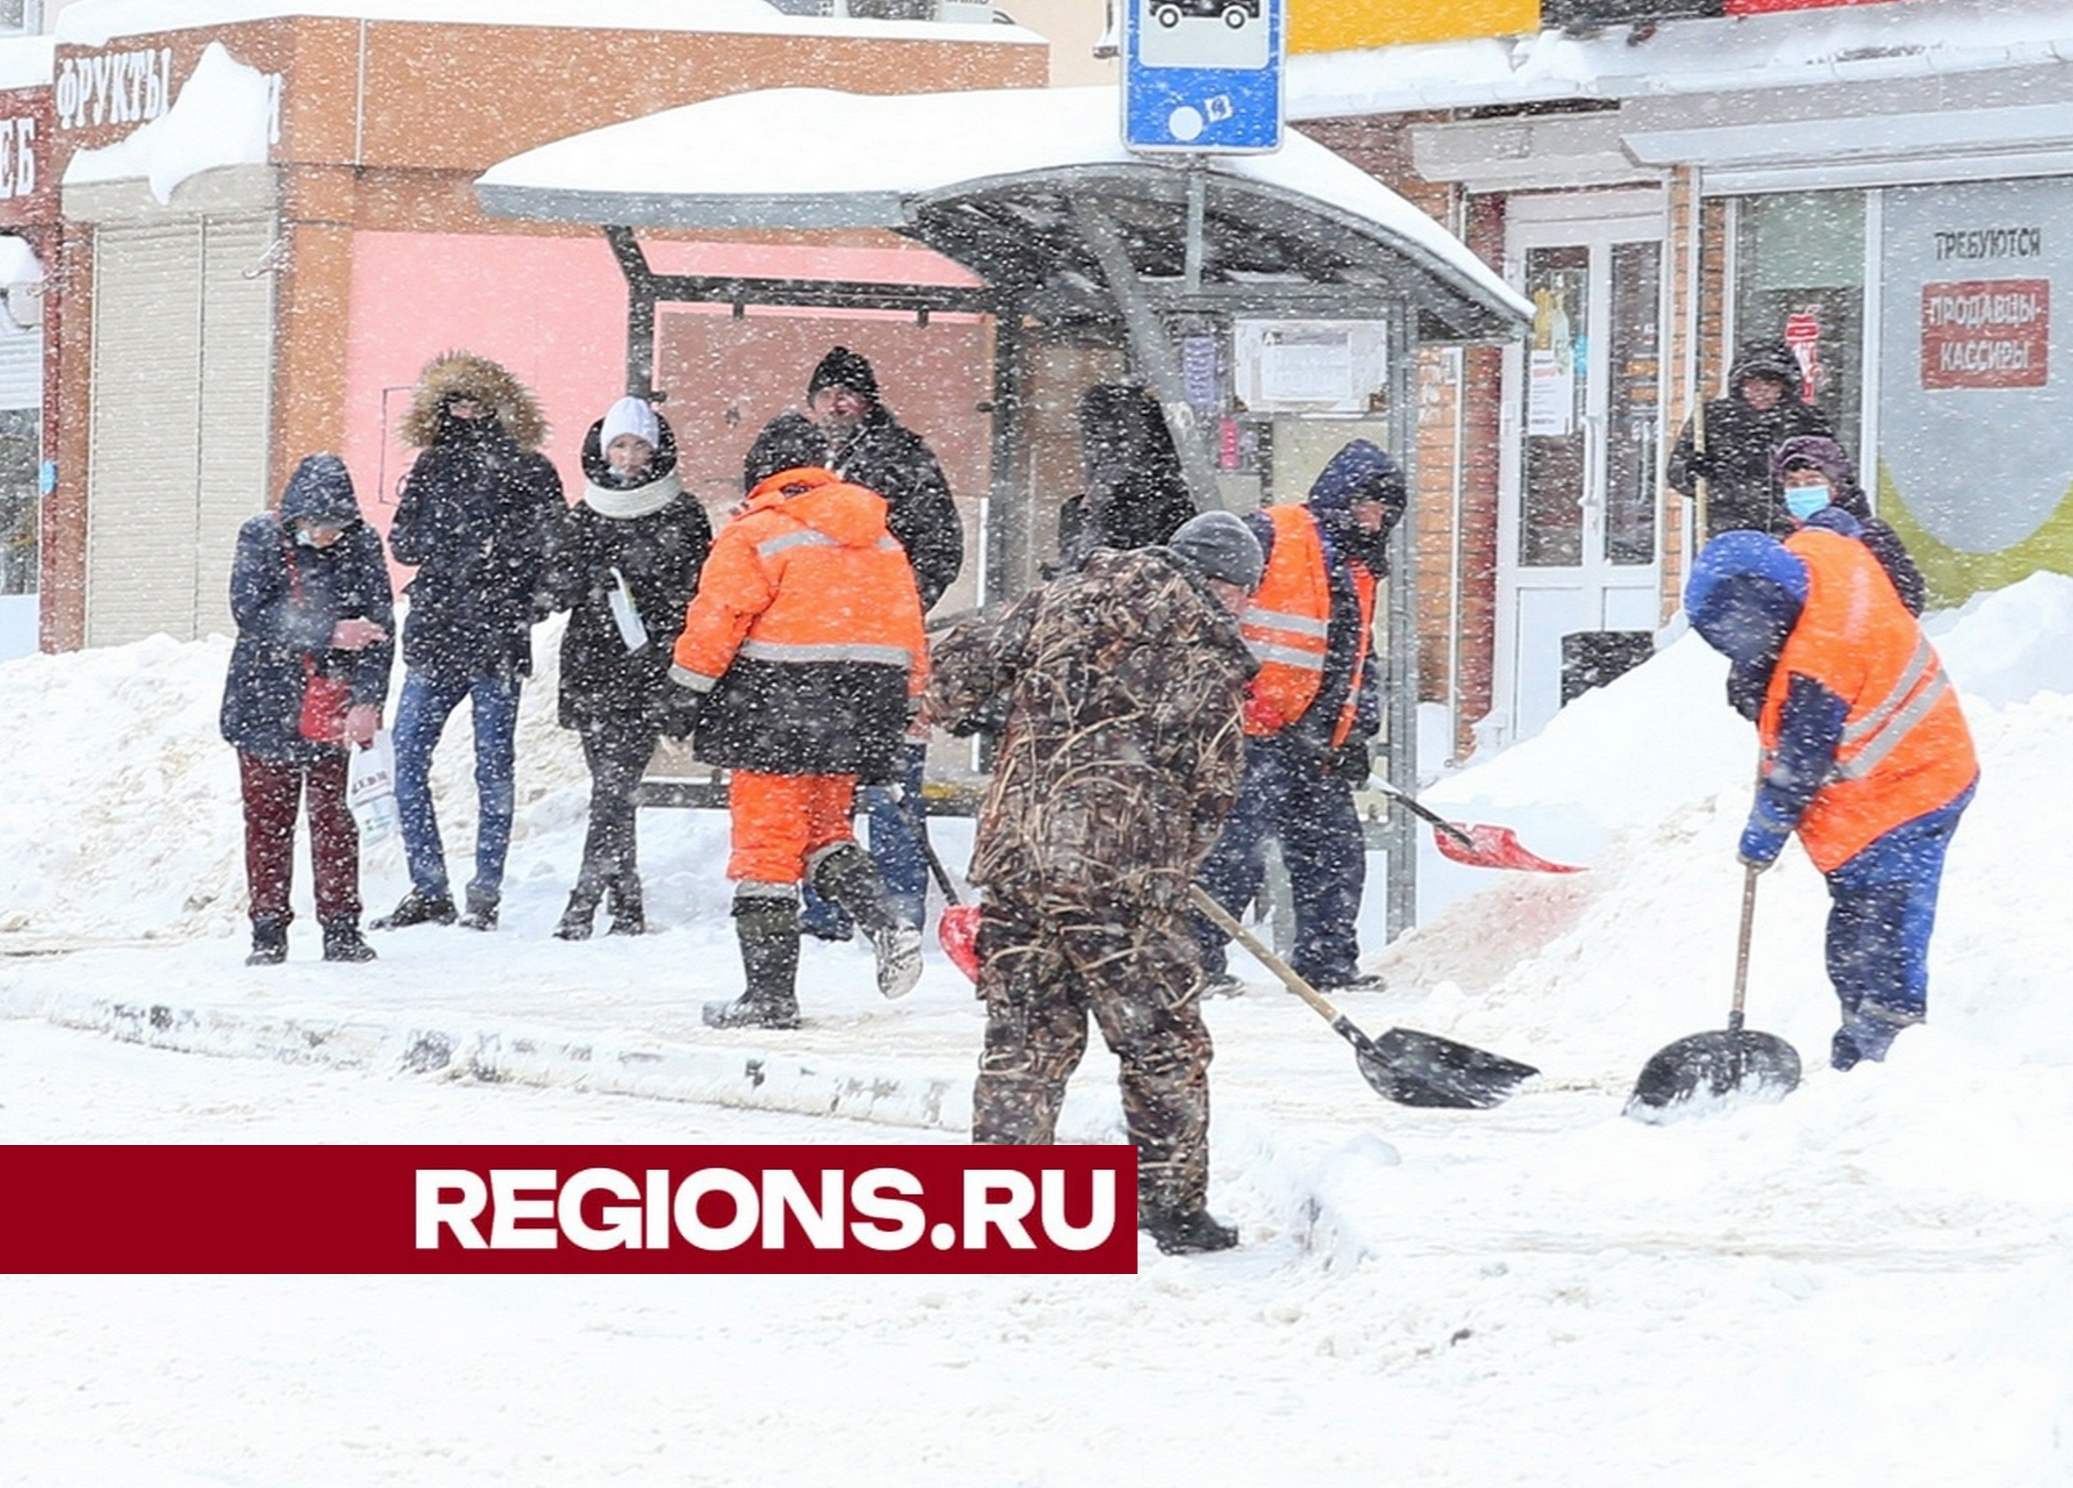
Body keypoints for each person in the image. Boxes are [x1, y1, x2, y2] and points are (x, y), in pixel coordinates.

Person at [923, 511, 1261, 1255]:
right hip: (1120, 873)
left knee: (1024, 1039)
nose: (1245, 611)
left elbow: (952, 674)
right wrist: (1173, 859)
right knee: (1161, 1043)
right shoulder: (1204, 648)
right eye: (1246, 595)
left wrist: (996, 714)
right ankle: (1171, 1209)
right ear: (1225, 585)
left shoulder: (1060, 598)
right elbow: (1212, 781)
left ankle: (1003, 1203)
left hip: (1018, 855)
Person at [1684, 529, 1978, 1070]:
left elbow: (1798, 771)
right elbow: (1835, 526)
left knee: (1882, 935)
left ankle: (1886, 1053)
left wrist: (1763, 834)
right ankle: (1865, 1039)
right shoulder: (1819, 553)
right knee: (1852, 937)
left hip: (1913, 789)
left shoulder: (1820, 667)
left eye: (1732, 637)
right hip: (1889, 785)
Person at [670, 419, 929, 1030]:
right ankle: (888, 923)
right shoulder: (880, 538)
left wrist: (683, 693)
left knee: (767, 851)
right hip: (858, 713)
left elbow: (719, 618)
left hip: (774, 709)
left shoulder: (755, 534)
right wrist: (909, 703)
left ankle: (769, 996)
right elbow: (907, 627)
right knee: (823, 834)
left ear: (763, 474)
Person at [1194, 440, 1402, 996]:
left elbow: (1357, 660)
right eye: (1368, 503)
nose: (1375, 518)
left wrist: (1356, 732)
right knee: (1230, 857)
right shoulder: (1271, 534)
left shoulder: (1359, 571)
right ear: (1341, 496)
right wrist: (1241, 700)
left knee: (1335, 855)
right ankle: (1194, 964)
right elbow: (1202, 620)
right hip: (1249, 735)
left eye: (1386, 511)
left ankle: (1327, 964)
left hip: (1316, 746)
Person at [374, 352, 565, 934]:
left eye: (478, 402)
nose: (468, 412)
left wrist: (518, 586)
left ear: (501, 407)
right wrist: (462, 541)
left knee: (494, 768)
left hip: (498, 638)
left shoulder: (532, 470)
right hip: (436, 632)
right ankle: (428, 886)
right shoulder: (430, 466)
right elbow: (403, 542)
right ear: (441, 408)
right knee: (405, 758)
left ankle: (485, 892)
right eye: (457, 402)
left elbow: (557, 551)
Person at [789, 347, 963, 940]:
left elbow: (942, 547)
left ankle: (899, 911)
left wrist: (892, 606)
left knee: (892, 786)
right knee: (821, 787)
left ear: (869, 402)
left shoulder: (903, 459)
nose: (836, 404)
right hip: (810, 651)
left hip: (884, 653)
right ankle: (826, 910)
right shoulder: (796, 459)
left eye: (847, 394)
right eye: (825, 394)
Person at [545, 395, 712, 940]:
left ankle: (584, 899)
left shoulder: (683, 512)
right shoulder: (585, 511)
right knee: (612, 786)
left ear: (657, 450)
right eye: (619, 443)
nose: (628, 456)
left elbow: (697, 588)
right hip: (593, 664)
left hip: (650, 665)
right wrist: (588, 579)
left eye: (640, 445)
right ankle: (627, 900)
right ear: (602, 448)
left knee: (615, 786)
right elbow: (557, 586)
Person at [220, 454, 393, 966]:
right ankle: (268, 930)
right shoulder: (260, 536)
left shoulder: (362, 542)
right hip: (263, 699)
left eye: (335, 525)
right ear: (295, 514)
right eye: (316, 525)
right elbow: (249, 611)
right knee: (267, 822)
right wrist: (327, 630)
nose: (326, 536)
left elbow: (380, 625)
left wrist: (368, 700)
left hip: (333, 701)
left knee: (336, 820)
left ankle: (342, 927)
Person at [1668, 339, 1833, 541]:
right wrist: (1692, 471)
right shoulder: (1713, 418)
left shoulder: (1807, 421)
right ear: (1740, 384)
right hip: (1730, 531)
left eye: (1770, 384)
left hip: (1794, 531)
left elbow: (1836, 474)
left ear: (1785, 386)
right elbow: (1676, 471)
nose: (1761, 391)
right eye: (1753, 383)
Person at [1770, 434, 1925, 616]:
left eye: (1813, 481)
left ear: (1835, 486)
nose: (1802, 489)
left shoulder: (1868, 533)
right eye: (1793, 484)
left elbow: (1909, 597)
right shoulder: (1781, 540)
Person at [1056, 382, 1197, 570]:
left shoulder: (1156, 503)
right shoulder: (1086, 509)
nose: (1097, 453)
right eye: (1091, 439)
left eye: (1115, 441)